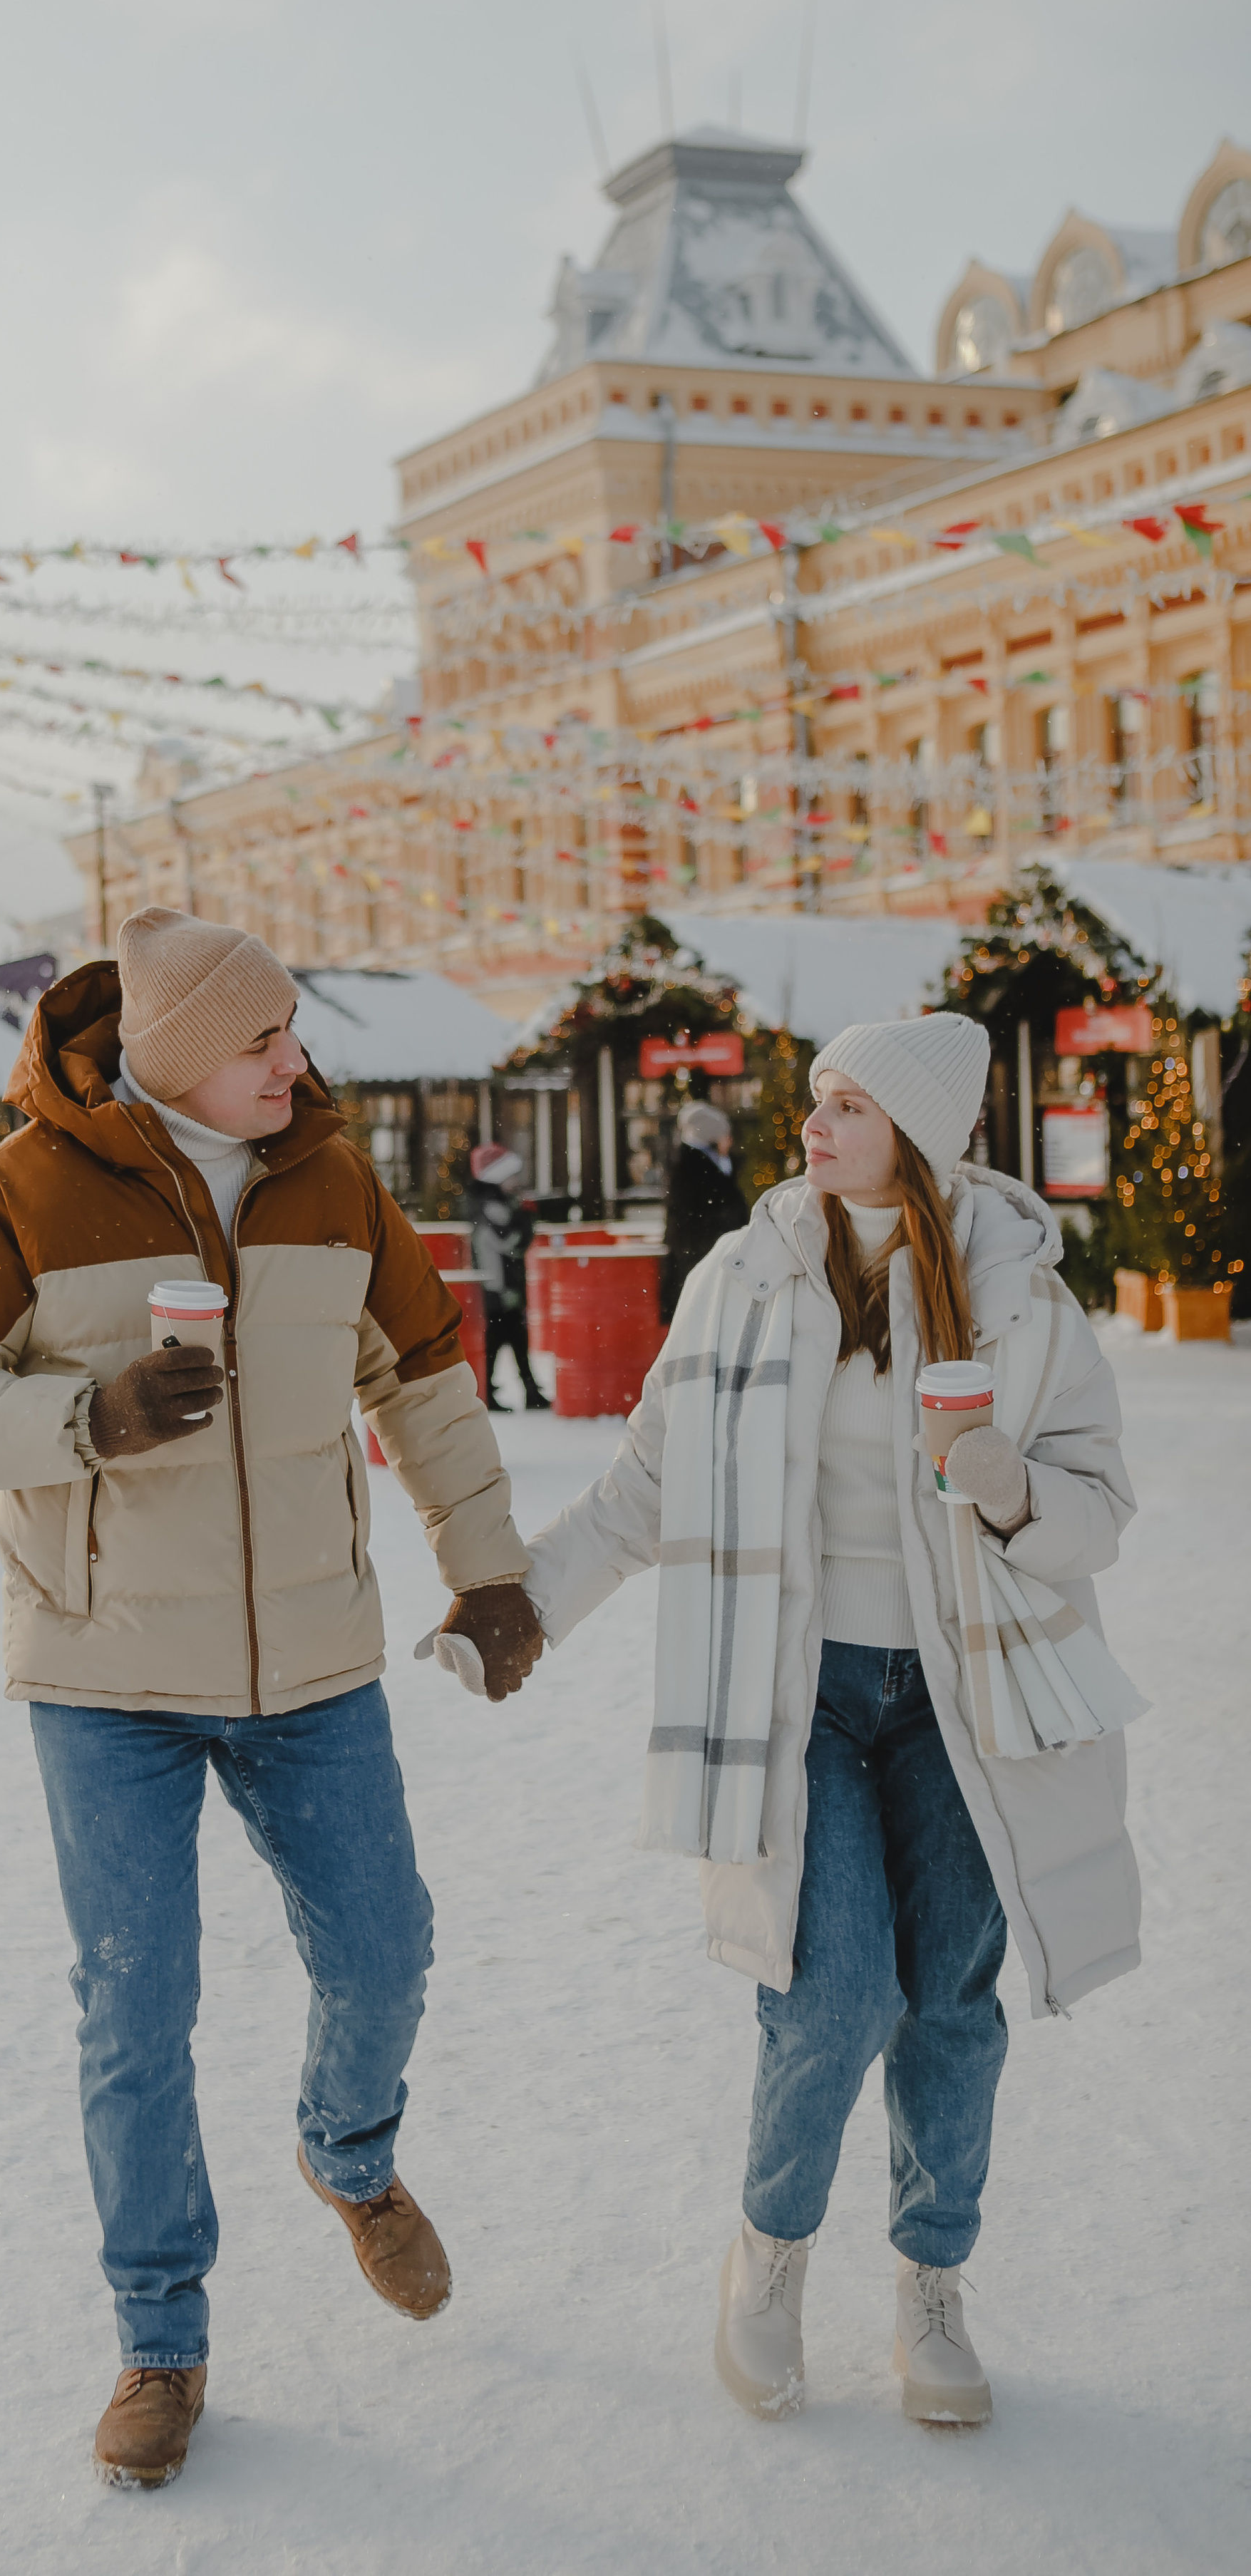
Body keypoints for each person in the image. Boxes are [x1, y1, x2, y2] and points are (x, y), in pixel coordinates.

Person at [0, 907, 544, 2489]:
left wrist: (487, 1571)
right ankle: (159, 2342)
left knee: (386, 1946)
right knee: (134, 2013)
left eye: (293, 1029)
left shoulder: (334, 1180)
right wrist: (82, 1416)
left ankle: (348, 2157)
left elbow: (424, 1379)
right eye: (259, 1040)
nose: (294, 1062)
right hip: (105, 1680)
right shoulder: (17, 1191)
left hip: (309, 1666)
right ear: (168, 1057)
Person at [517, 1014, 1139, 2427]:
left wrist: (1003, 1487)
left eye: (849, 1105)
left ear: (916, 1136)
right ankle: (770, 2254)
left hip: (963, 1699)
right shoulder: (743, 1277)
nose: (812, 1125)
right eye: (815, 1100)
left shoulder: (1022, 1302)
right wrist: (526, 1604)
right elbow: (642, 1485)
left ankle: (931, 2287)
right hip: (796, 1692)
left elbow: (1095, 1515)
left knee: (945, 2005)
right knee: (832, 1987)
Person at [465, 1141, 549, 1412]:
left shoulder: (493, 1204)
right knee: (501, 1337)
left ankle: (523, 1389)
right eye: (510, 1176)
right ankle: (499, 1390)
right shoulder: (491, 1207)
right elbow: (511, 1242)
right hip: (497, 1285)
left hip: (500, 1283)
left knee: (512, 1336)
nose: (515, 1181)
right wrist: (527, 1220)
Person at [661, 1098, 748, 1321]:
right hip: (701, 1252)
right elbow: (713, 1209)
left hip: (701, 1251)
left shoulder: (698, 1162)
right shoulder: (696, 1166)